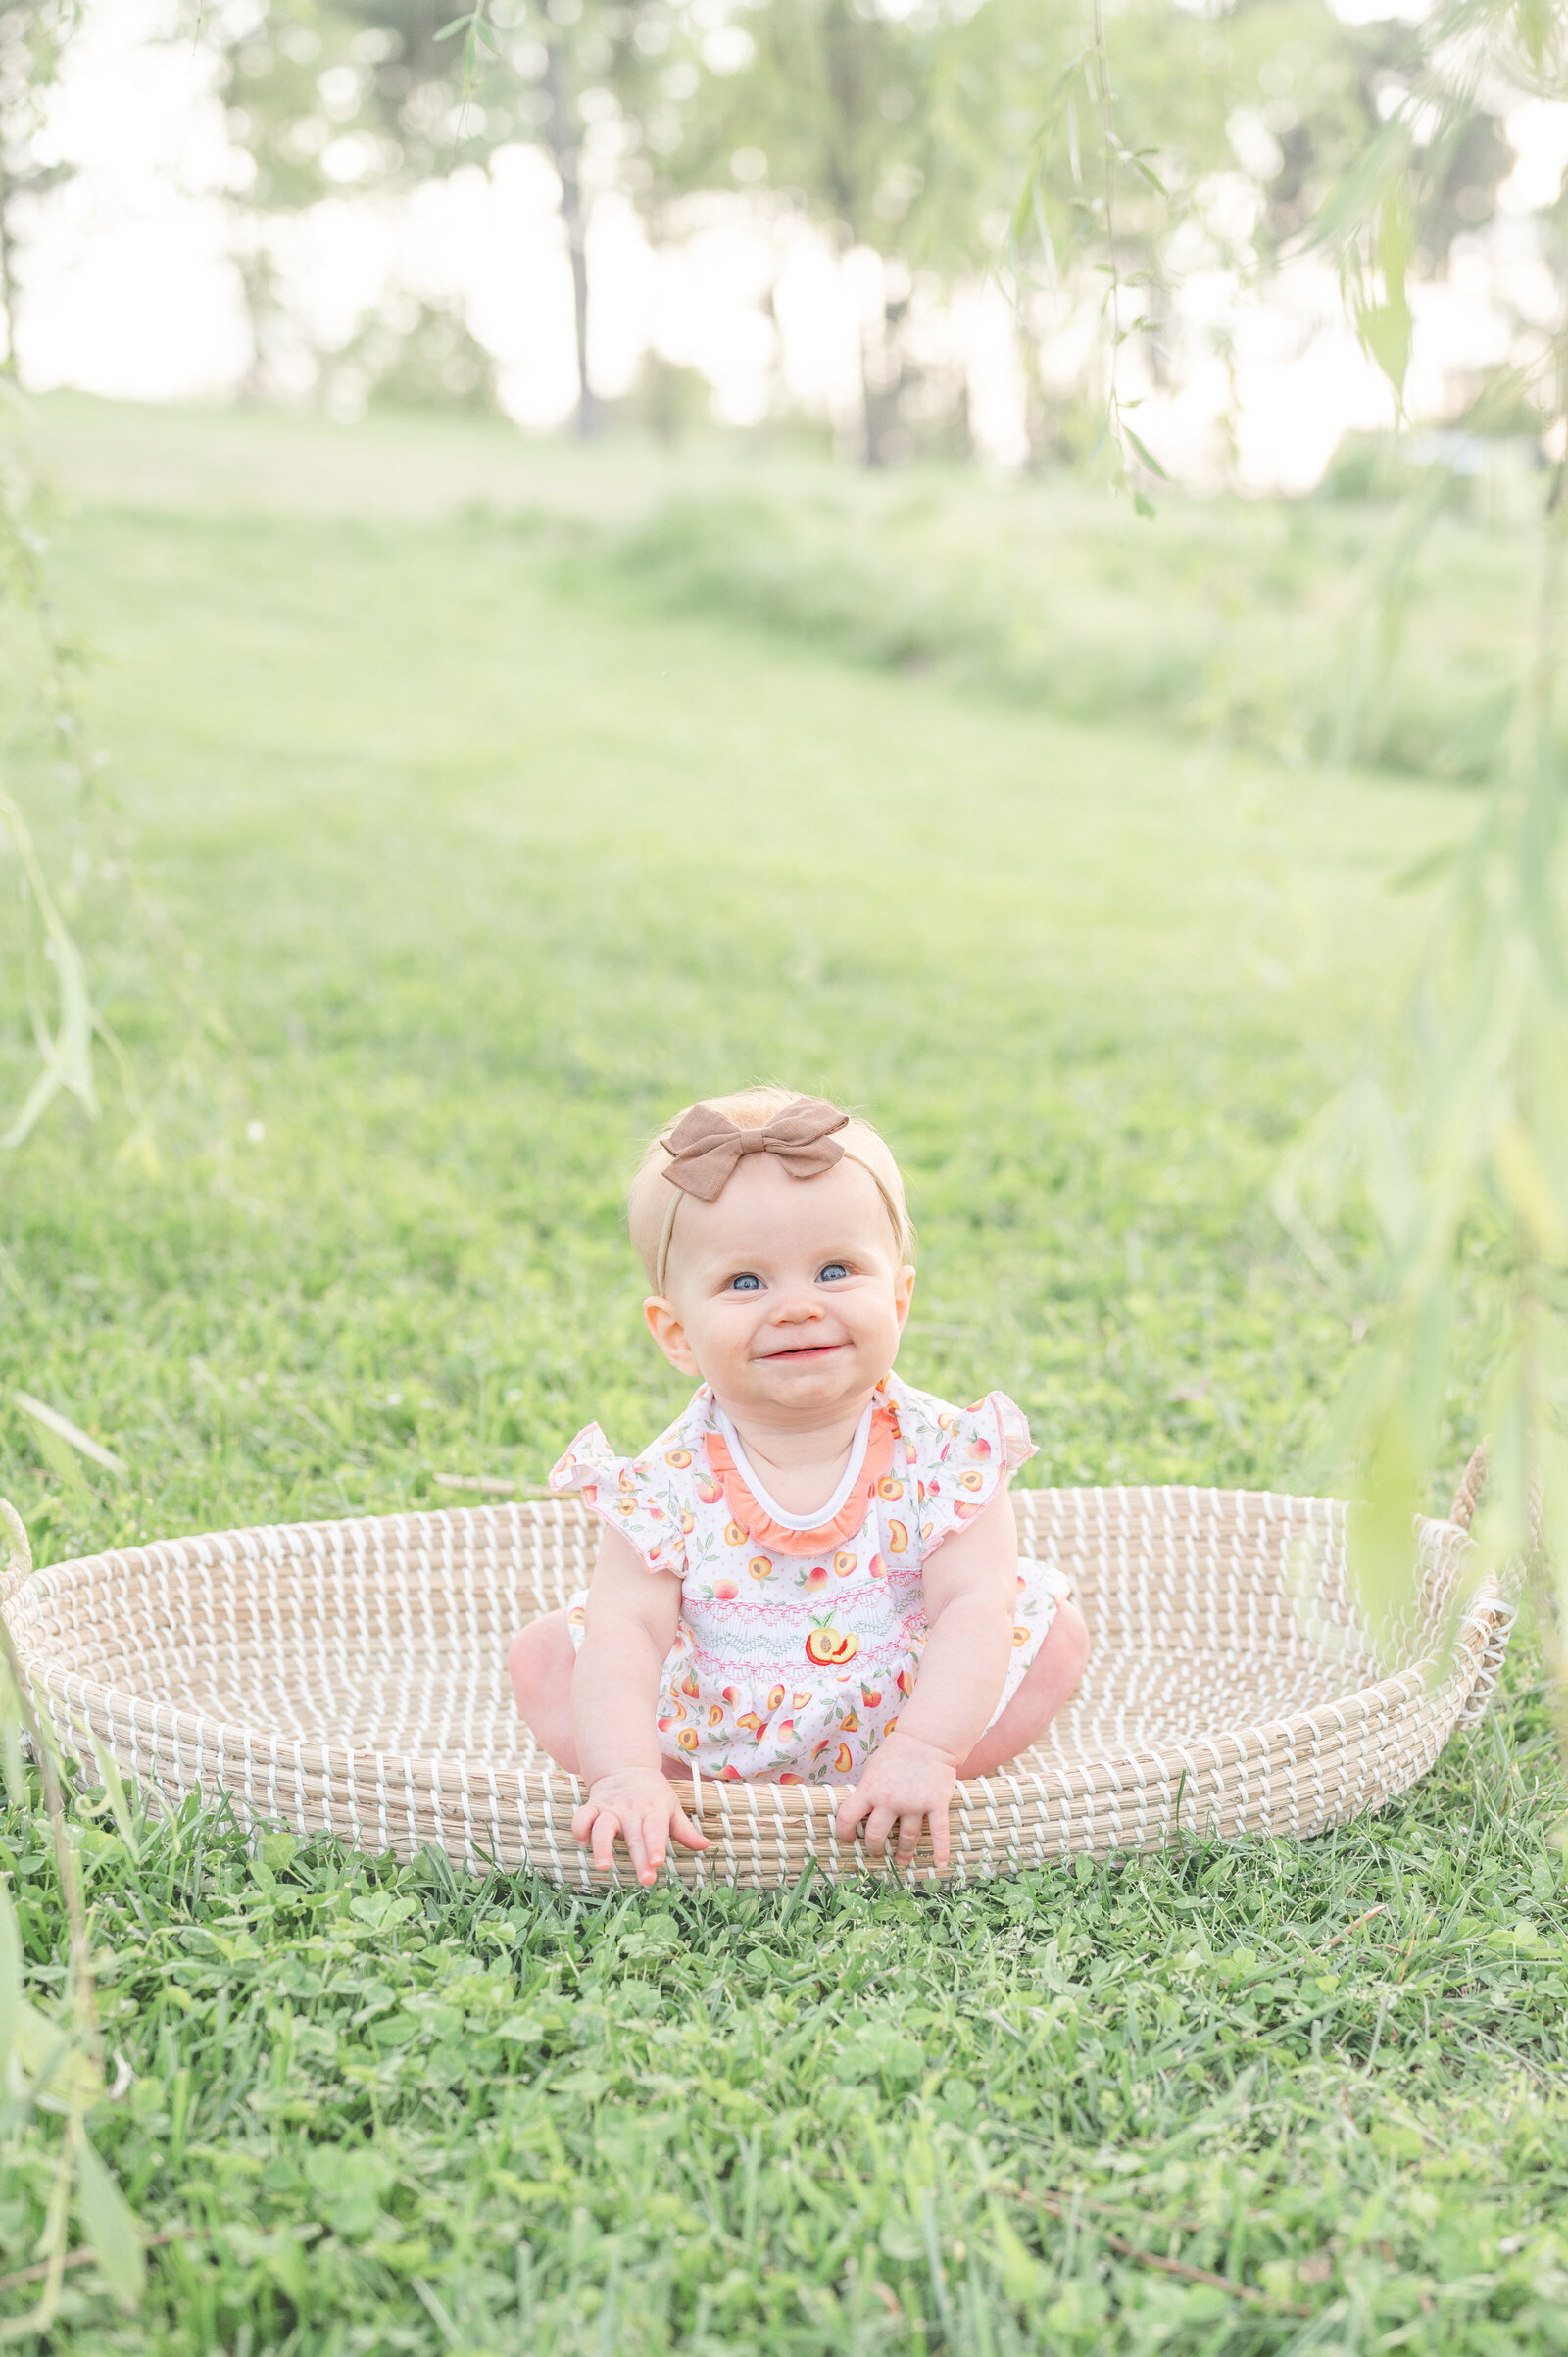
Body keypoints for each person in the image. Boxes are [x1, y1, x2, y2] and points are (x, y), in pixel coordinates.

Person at [510, 1087, 1090, 1885]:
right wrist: (623, 1770)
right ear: (676, 1334)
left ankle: (909, 1784)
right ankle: (676, 1797)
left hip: (905, 1707)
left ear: (898, 1298)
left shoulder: (945, 1455)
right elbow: (627, 1633)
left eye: (834, 1269)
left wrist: (927, 1746)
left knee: (1054, 1633)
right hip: (718, 1723)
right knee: (546, 1656)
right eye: (746, 1282)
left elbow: (973, 1606)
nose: (797, 1307)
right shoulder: (664, 1483)